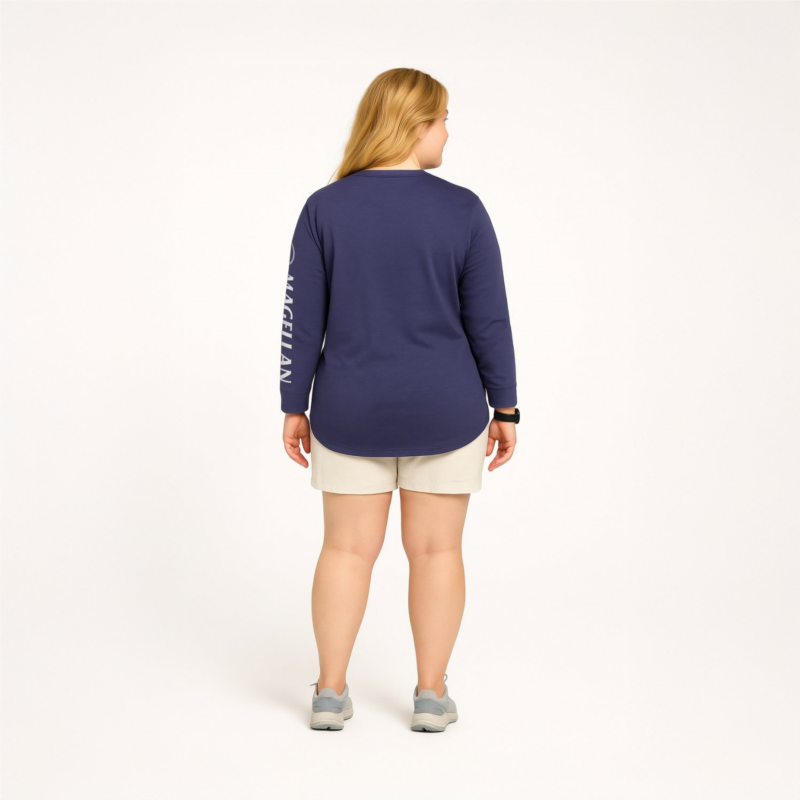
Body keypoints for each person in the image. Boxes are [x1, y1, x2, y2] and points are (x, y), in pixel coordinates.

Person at [279, 68, 520, 732]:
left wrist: (293, 403)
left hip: (348, 410)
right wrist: (506, 407)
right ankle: (431, 697)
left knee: (345, 551)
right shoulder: (462, 210)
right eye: (443, 120)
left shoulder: (325, 208)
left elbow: (301, 319)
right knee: (437, 552)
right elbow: (489, 320)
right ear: (416, 125)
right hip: (446, 410)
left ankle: (330, 694)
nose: (447, 133)